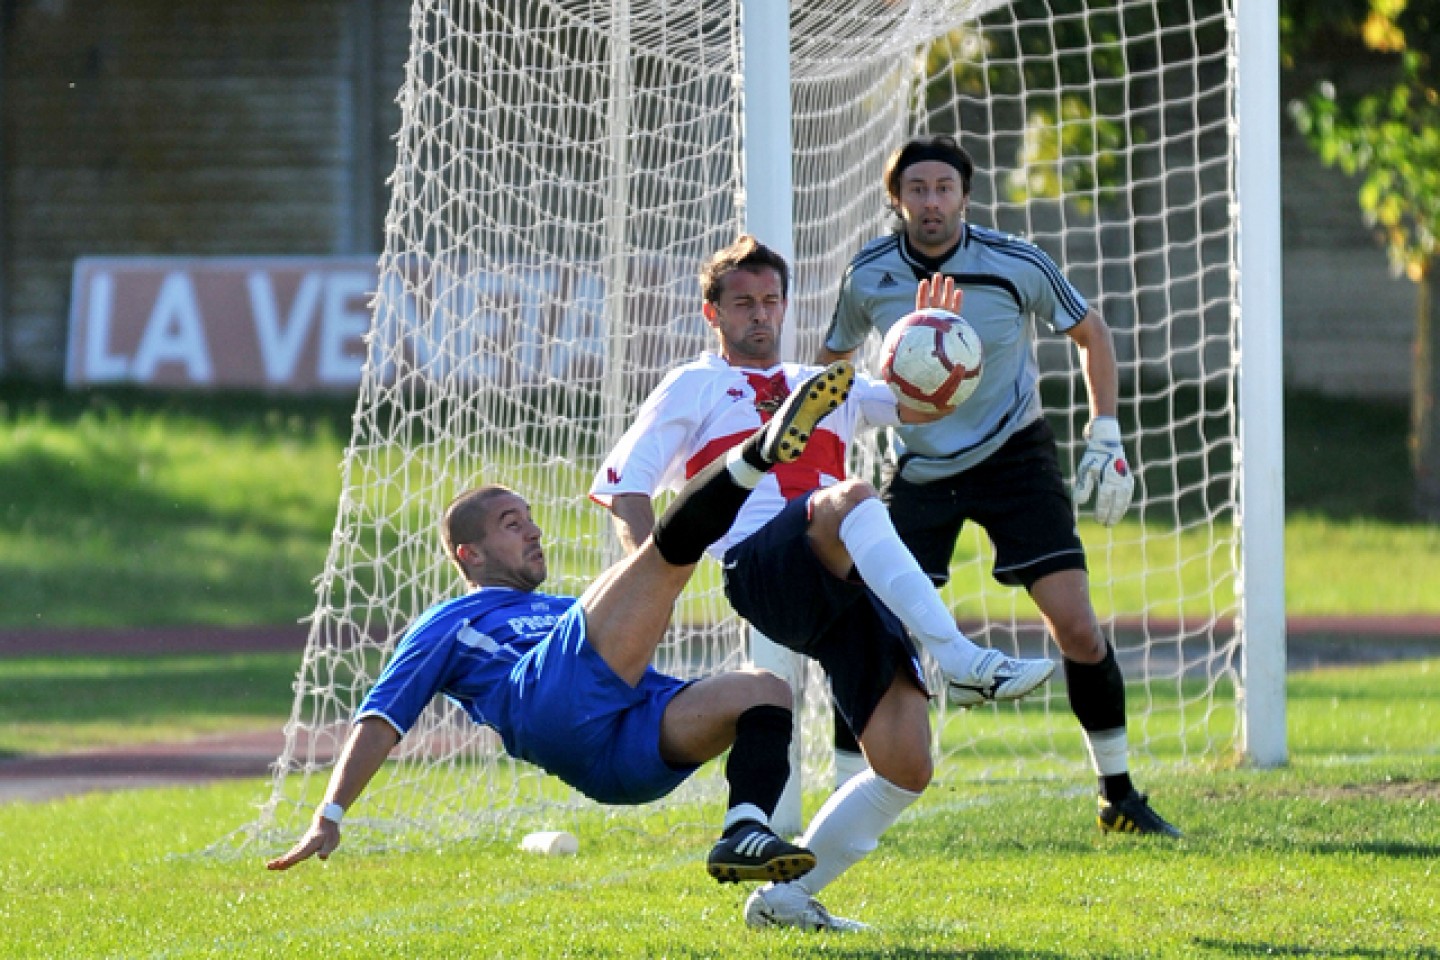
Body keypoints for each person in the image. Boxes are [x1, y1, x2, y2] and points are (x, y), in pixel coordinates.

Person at [589, 234, 1054, 931]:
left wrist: (937, 338)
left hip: (840, 578)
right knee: (853, 498)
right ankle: (958, 659)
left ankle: (782, 903)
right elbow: (627, 486)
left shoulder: (824, 383)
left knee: (906, 764)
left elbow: (924, 404)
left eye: (771, 301)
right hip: (760, 564)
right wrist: (652, 574)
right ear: (711, 312)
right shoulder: (693, 384)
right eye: (743, 303)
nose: (761, 316)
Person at [265, 360, 859, 890]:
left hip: (622, 757)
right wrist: (330, 814)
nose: (533, 531)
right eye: (509, 523)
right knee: (663, 555)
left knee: (765, 691)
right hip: (548, 705)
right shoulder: (450, 619)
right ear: (469, 554)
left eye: (529, 518)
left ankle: (743, 830)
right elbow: (383, 714)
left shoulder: (561, 607)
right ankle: (762, 449)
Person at [817, 133, 1181, 838]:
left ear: (965, 196)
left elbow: (1092, 333)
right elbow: (829, 367)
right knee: (869, 630)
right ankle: (838, 804)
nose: (931, 202)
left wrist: (1105, 431)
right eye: (917, 189)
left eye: (943, 188)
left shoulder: (1016, 262)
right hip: (917, 469)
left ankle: (1117, 795)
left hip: (1016, 457)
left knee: (1074, 624)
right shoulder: (868, 275)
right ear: (897, 199)